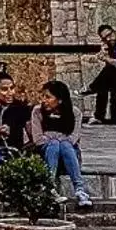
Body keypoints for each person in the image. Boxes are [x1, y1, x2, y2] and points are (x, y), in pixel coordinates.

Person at [32, 79, 93, 209]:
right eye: (43, 96)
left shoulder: (75, 113)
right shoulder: (37, 111)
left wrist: (53, 136)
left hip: (68, 154)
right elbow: (38, 139)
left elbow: (73, 138)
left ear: (59, 100)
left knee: (65, 145)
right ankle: (49, 186)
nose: (44, 100)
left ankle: (80, 189)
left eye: (48, 97)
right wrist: (56, 139)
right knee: (54, 144)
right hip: (47, 154)